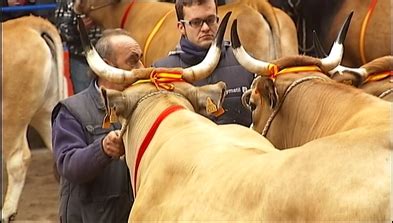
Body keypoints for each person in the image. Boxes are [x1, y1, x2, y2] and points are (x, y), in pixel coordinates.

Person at [51, 29, 143, 223]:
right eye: (133, 61)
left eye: (142, 59)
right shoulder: (71, 110)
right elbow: (69, 165)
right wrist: (102, 149)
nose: (142, 68)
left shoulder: (142, 106)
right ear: (107, 67)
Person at [153, 0, 254, 126]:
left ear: (218, 20)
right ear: (181, 27)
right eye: (196, 22)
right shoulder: (162, 73)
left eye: (210, 20)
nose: (205, 28)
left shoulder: (246, 64)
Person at [55, 0, 102, 93]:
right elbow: (62, 31)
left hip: (109, 57)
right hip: (81, 58)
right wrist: (78, 28)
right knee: (84, 99)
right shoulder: (67, 2)